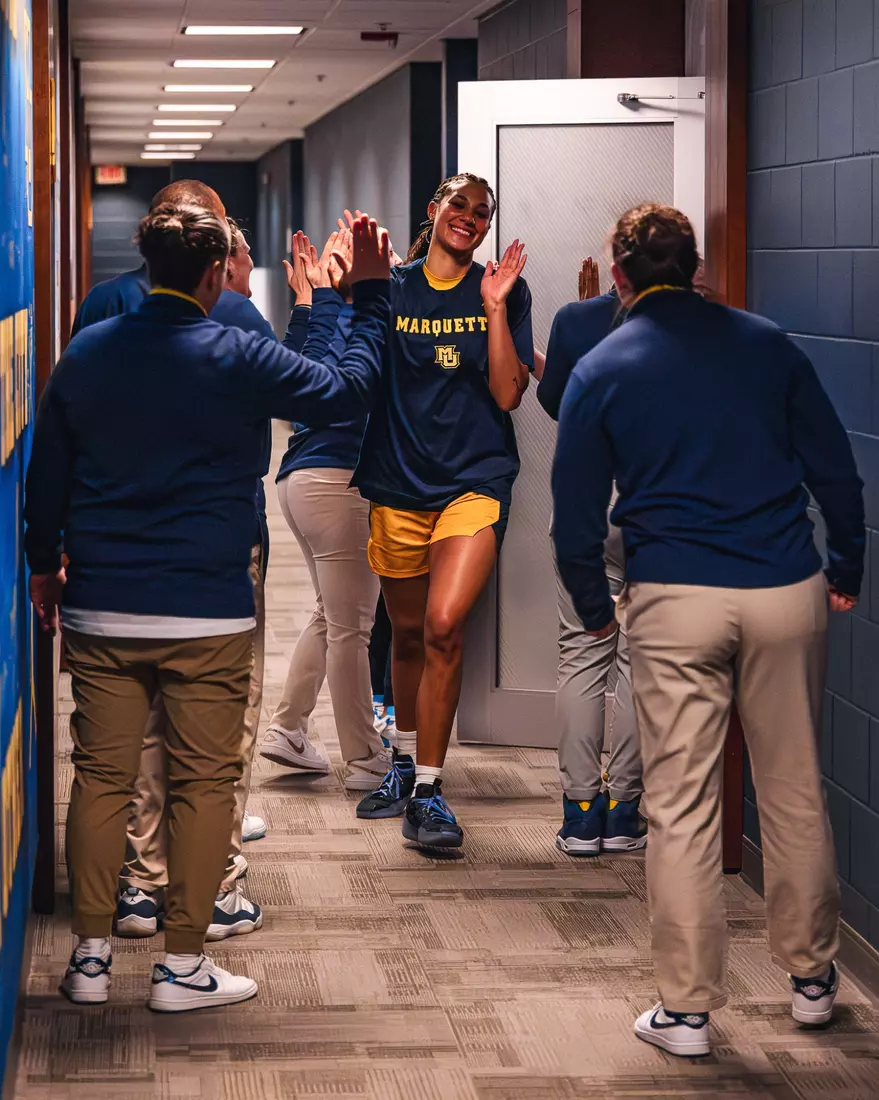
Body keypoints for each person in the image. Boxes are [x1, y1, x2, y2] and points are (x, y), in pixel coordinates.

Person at [25, 205, 391, 1011]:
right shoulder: (235, 352)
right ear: (213, 273)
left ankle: (89, 960)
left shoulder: (87, 353)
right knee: (202, 786)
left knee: (100, 780)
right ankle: (181, 968)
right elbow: (345, 393)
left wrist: (43, 569)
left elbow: (45, 476)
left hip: (102, 609)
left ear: (147, 264)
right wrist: (361, 296)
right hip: (207, 614)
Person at [552, 203, 865, 1057]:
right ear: (692, 266)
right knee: (794, 787)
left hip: (674, 598)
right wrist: (845, 567)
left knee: (681, 804)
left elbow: (573, 511)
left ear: (617, 276)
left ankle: (686, 1012)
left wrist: (592, 605)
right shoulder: (767, 343)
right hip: (781, 587)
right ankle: (810, 982)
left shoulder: (603, 362)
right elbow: (832, 466)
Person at [353, 173, 533, 849]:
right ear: (433, 210)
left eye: (482, 211)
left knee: (443, 624)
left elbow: (509, 394)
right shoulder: (391, 290)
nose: (471, 217)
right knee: (403, 636)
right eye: (459, 205)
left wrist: (492, 309)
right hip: (397, 482)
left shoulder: (503, 289)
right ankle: (401, 760)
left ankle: (429, 790)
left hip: (473, 481)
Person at [117, 220, 273, 943]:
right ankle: (215, 888)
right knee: (221, 726)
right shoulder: (236, 319)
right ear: (216, 263)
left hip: (123, 554)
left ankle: (142, 884)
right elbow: (329, 395)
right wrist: (335, 303)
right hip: (217, 554)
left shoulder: (100, 315)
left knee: (146, 720)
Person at [260, 226, 390, 788]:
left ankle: (287, 728)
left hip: (299, 482)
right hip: (338, 483)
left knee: (331, 615)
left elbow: (293, 380)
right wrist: (332, 297)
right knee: (353, 629)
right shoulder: (360, 318)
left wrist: (308, 301)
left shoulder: (326, 314)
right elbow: (353, 385)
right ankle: (364, 760)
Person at [538, 260, 645, 856]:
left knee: (582, 653)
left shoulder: (576, 319)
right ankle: (625, 810)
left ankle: (581, 814)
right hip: (657, 503)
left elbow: (556, 404)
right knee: (638, 662)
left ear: (613, 268)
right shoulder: (690, 328)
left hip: (588, 501)